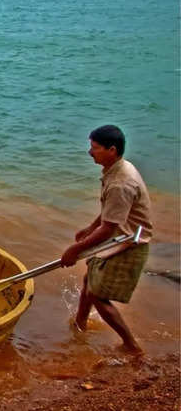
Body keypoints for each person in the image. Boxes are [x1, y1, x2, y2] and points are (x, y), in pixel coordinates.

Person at [61, 124, 152, 353]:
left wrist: (75, 249)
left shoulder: (121, 182)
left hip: (128, 242)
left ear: (111, 150)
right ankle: (80, 324)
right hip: (118, 236)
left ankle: (131, 345)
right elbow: (112, 213)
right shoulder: (117, 170)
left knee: (98, 296)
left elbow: (110, 227)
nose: (90, 152)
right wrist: (90, 227)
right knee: (88, 280)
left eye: (95, 148)